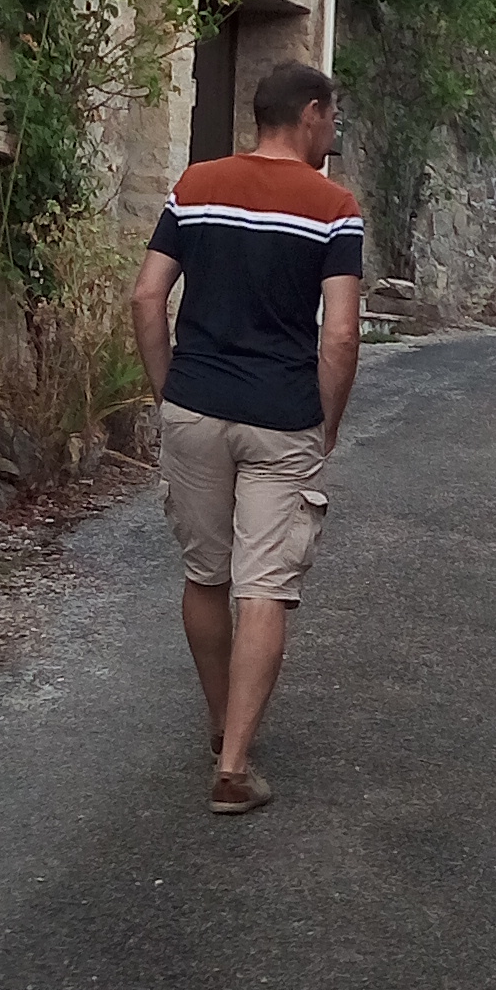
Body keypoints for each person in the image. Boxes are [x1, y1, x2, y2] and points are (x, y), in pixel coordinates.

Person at [130, 56, 363, 814]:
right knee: (264, 585)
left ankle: (217, 721)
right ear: (310, 114)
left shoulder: (196, 186)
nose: (333, 132)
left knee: (206, 575)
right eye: (331, 118)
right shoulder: (333, 207)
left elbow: (147, 297)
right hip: (281, 416)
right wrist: (326, 422)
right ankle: (233, 764)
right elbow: (340, 336)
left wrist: (169, 390)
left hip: (194, 406)